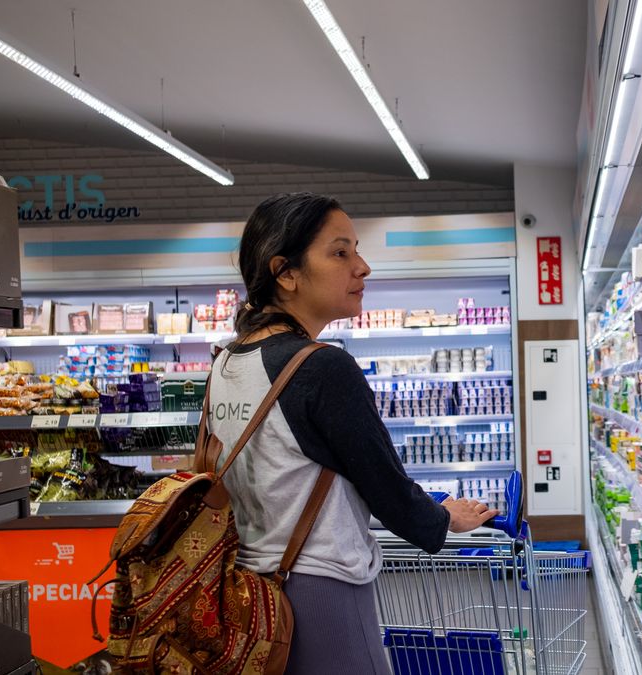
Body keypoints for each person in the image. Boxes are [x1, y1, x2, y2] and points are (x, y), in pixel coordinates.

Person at [206, 193, 498, 673]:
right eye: (340, 252)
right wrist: (443, 518)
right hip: (322, 587)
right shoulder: (321, 367)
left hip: (247, 590)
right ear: (286, 272)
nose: (362, 267)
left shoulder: (227, 361)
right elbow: (382, 481)